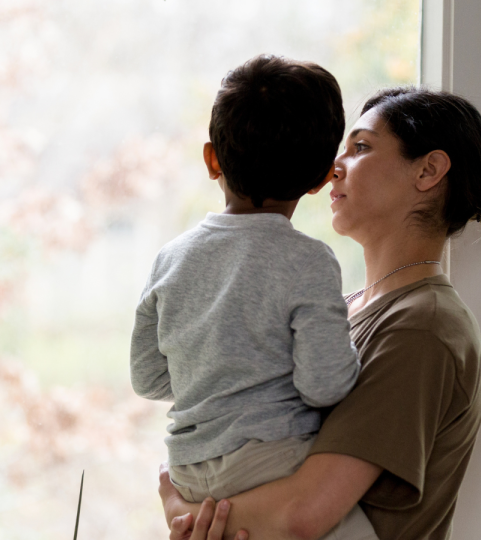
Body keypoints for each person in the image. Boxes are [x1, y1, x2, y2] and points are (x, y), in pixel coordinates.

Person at [159, 87, 481, 540]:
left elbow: (302, 514)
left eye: (361, 147)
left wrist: (177, 503)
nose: (334, 167)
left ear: (428, 170)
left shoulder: (424, 327)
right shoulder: (340, 310)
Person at [131, 55, 377, 540]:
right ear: (321, 178)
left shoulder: (170, 258)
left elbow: (148, 377)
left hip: (189, 472)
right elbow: (324, 387)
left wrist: (213, 369)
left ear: (211, 159)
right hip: (273, 461)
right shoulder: (308, 261)